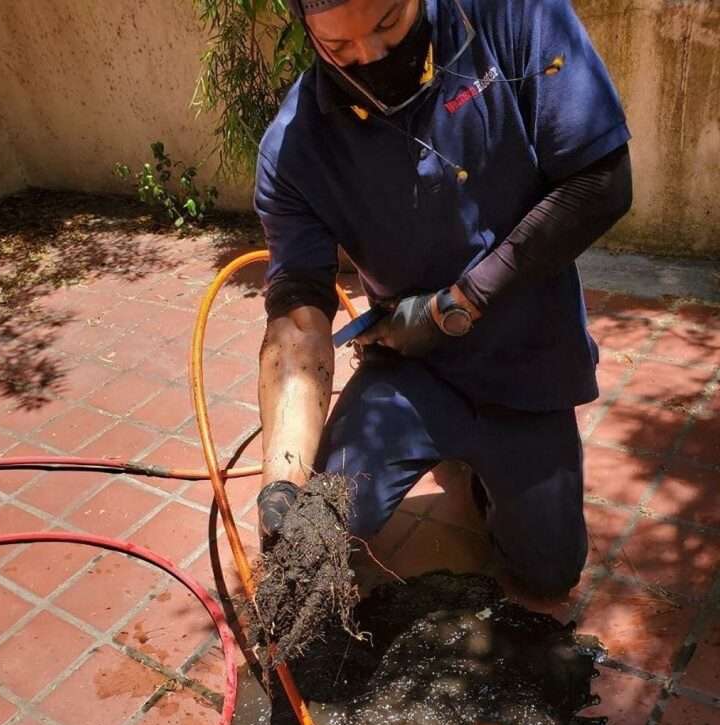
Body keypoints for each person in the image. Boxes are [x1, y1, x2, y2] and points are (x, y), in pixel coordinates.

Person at [254, 0, 632, 599]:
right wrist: (283, 482)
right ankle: (440, 445)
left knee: (550, 574)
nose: (372, 60)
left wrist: (455, 305)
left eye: (387, 26)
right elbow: (298, 314)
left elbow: (603, 182)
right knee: (316, 534)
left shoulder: (514, 19)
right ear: (307, 29)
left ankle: (489, 469)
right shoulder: (294, 146)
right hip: (412, 371)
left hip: (529, 359)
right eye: (340, 48)